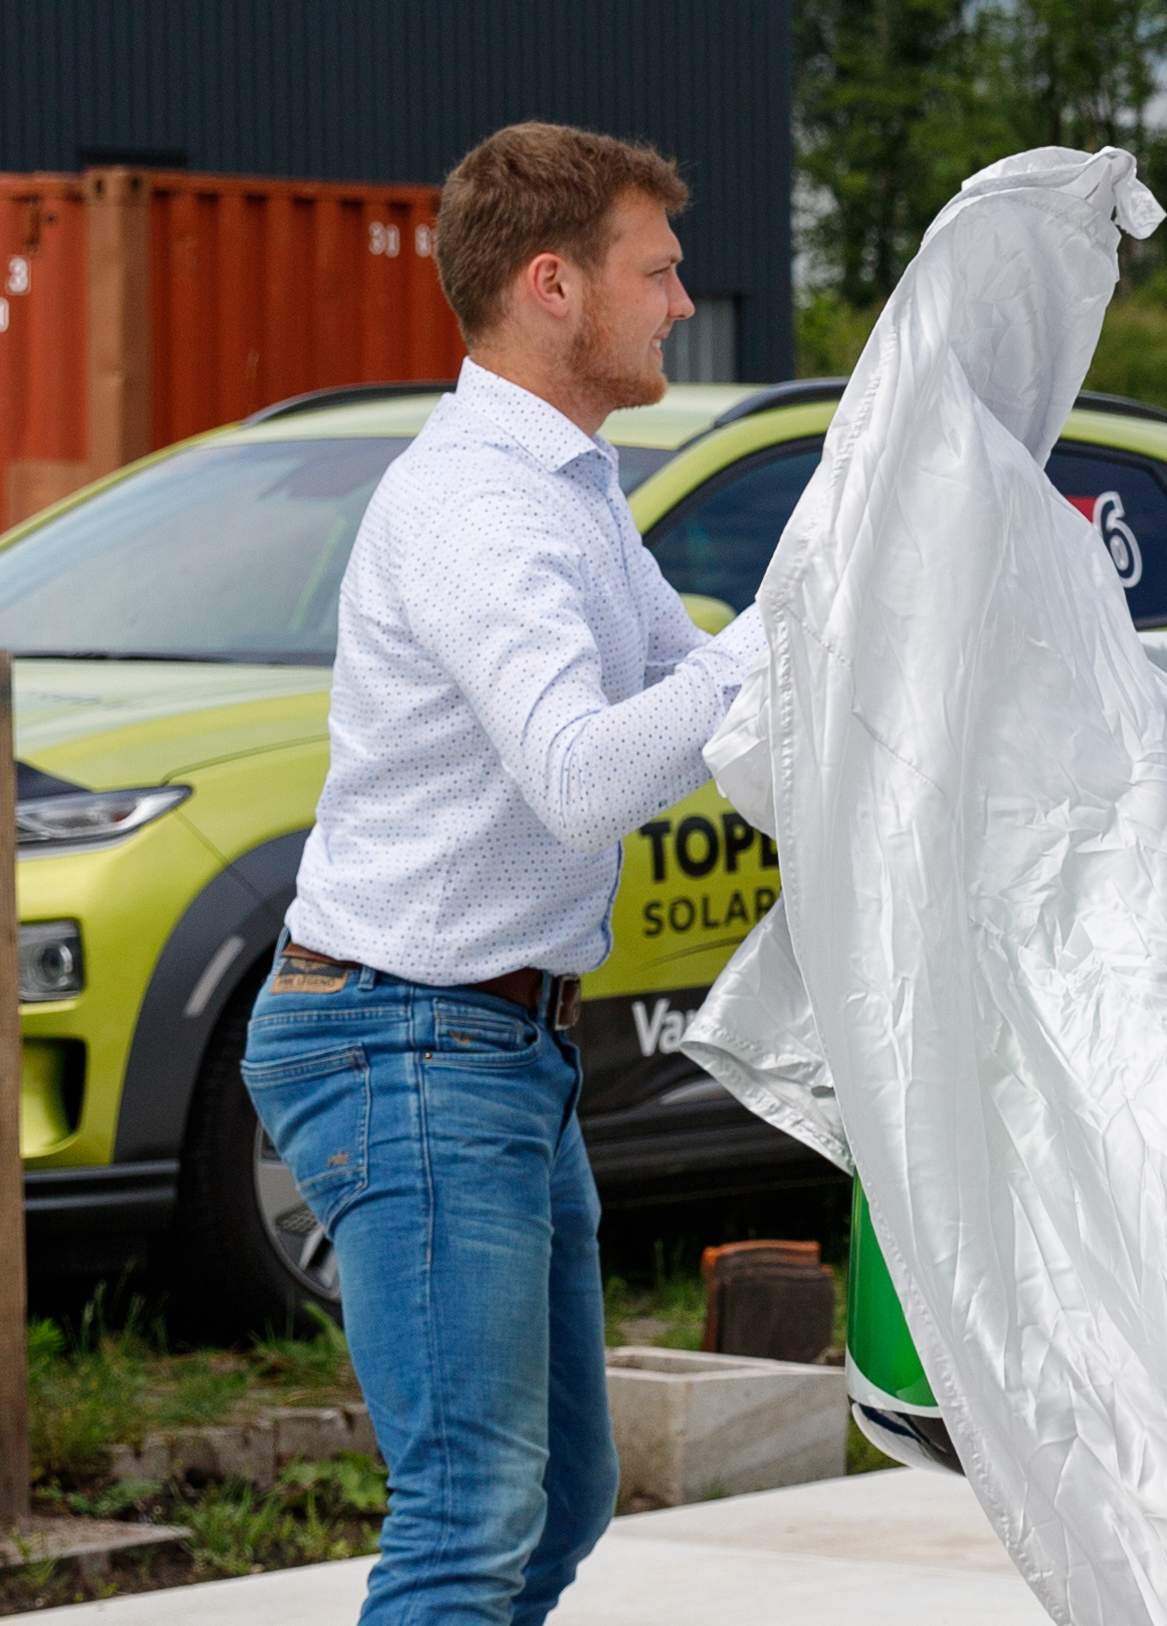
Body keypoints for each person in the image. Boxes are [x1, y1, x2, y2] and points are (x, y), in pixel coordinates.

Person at [242, 122, 767, 1624]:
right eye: (656, 272)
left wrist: (818, 632)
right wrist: (776, 643)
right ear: (553, 284)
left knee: (555, 1497)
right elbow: (589, 771)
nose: (679, 301)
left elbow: (705, 692)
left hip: (495, 1041)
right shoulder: (479, 504)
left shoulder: (574, 485)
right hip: (404, 1037)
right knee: (471, 1512)